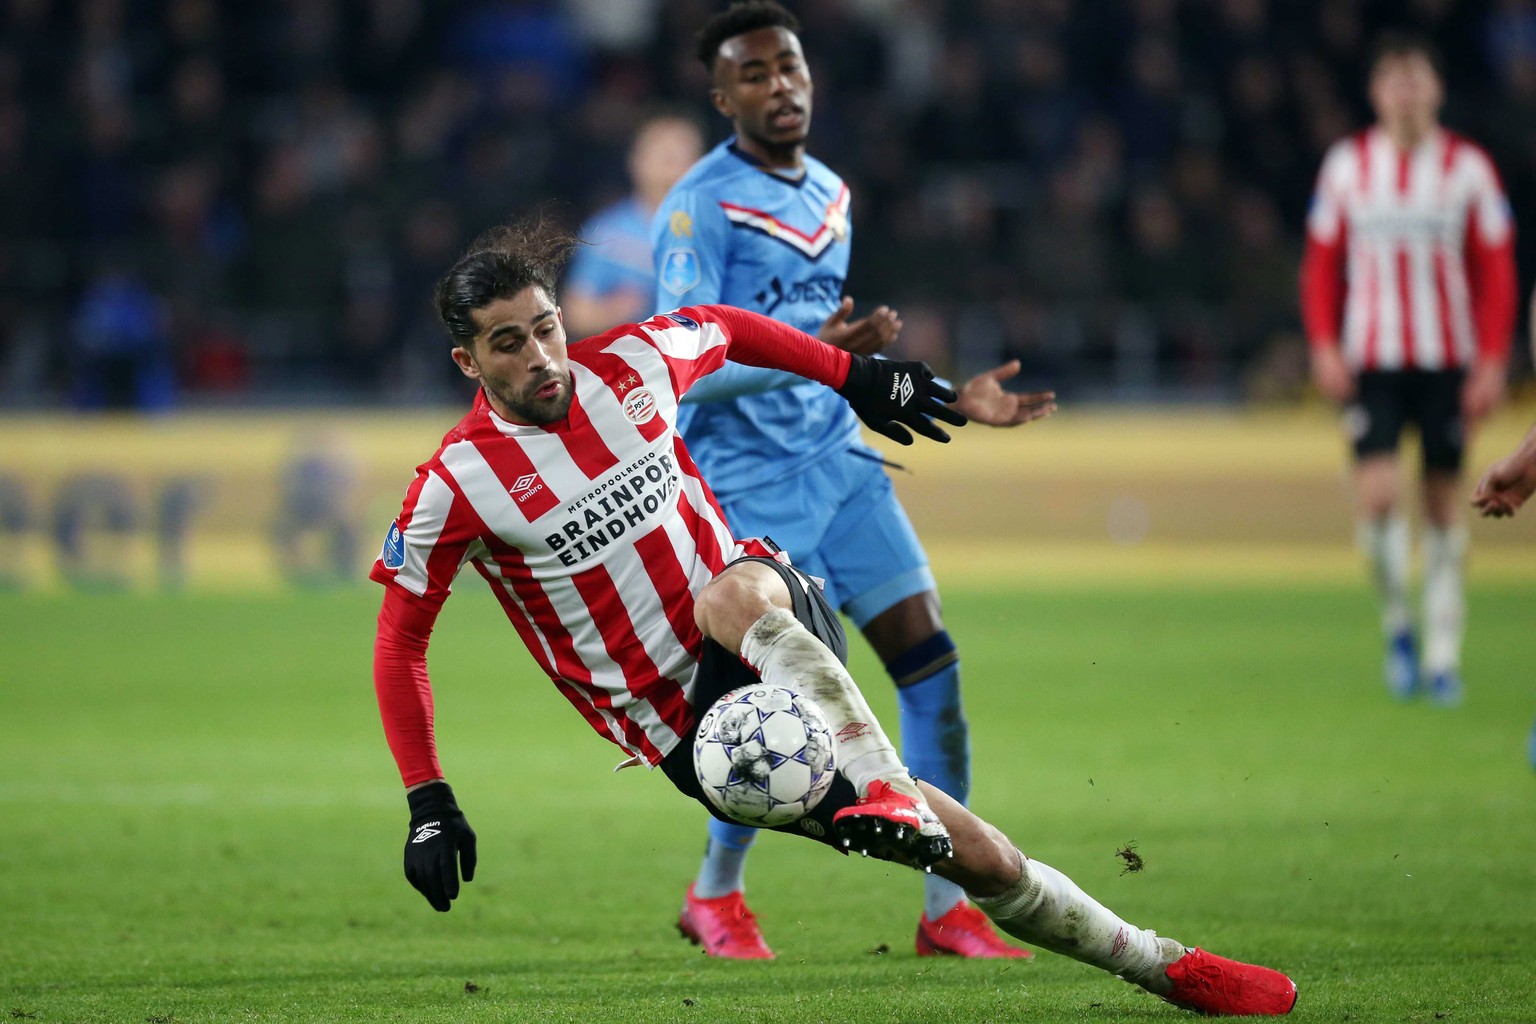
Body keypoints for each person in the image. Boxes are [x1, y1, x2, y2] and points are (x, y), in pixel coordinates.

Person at [369, 217, 1297, 1018]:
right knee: (973, 854)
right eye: (508, 345)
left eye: (546, 330)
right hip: (699, 736)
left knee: (726, 592)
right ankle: (1162, 966)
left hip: (766, 607)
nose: (540, 358)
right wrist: (427, 799)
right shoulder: (456, 486)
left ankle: (882, 780)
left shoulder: (633, 363)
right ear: (467, 361)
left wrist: (852, 374)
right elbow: (400, 643)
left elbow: (727, 329)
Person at [653, 0, 1055, 961]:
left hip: (843, 470)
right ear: (723, 98)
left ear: (811, 76)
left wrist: (954, 400)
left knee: (934, 673)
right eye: (753, 73)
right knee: (771, 715)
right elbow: (678, 360)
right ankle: (715, 895)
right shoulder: (698, 206)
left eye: (788, 65)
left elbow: (831, 357)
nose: (778, 84)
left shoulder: (830, 192)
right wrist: (818, 349)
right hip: (749, 489)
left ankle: (947, 908)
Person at [1300, 30, 1517, 707]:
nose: (1405, 90)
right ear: (1375, 93)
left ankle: (1445, 655)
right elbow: (1320, 265)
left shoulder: (1469, 170)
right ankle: (1400, 628)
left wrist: (1491, 358)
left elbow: (1497, 271)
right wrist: (1325, 344)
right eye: (1393, 79)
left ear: (1436, 89)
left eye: (1416, 78)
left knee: (1447, 507)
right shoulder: (1346, 166)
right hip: (1374, 360)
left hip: (1446, 361)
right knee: (1379, 498)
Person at [561, 113, 706, 339]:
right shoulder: (608, 231)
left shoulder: (720, 232)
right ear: (636, 160)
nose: (672, 167)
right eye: (664, 155)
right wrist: (613, 311)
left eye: (683, 156)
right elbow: (575, 313)